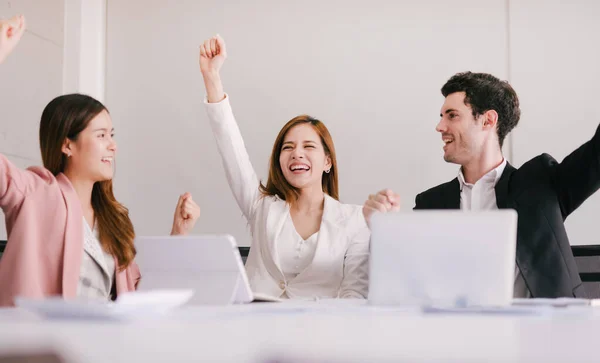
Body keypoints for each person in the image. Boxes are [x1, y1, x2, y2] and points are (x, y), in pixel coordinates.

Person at [0, 15, 201, 306]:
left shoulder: (113, 219)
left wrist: (178, 235)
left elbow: (137, 298)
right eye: (101, 135)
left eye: (112, 134)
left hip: (105, 343)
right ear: (67, 144)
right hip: (44, 341)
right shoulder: (34, 192)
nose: (113, 146)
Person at [363, 71, 600, 298]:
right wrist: (385, 229)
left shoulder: (540, 184)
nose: (440, 126)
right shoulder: (431, 202)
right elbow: (402, 279)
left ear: (488, 120)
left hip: (544, 332)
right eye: (441, 116)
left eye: (452, 115)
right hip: (458, 332)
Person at [199, 35, 369, 299]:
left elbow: (355, 293)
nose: (296, 154)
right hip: (256, 328)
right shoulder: (262, 207)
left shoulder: (356, 220)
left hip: (321, 333)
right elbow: (231, 149)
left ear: (327, 161)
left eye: (308, 147)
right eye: (287, 147)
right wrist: (212, 77)